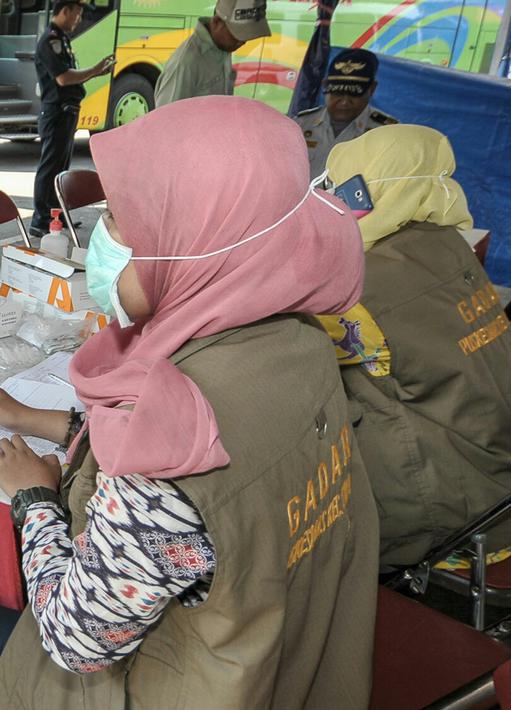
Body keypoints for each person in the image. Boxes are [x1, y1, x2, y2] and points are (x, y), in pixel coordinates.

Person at [0, 96, 378, 709]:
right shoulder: (298, 339)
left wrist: (35, 499)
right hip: (291, 658)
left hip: (191, 684)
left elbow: (76, 638)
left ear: (196, 239)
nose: (101, 239)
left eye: (120, 218)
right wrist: (43, 422)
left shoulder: (172, 446)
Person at [321, 124, 511, 569]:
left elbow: (281, 345)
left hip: (440, 518)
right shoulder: (447, 245)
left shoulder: (362, 289)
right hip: (495, 483)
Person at [29, 0, 114, 238]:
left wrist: (97, 70)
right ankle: (40, 219)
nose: (78, 19)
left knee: (60, 168)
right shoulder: (49, 41)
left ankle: (56, 215)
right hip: (55, 111)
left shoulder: (62, 39)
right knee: (50, 167)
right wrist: (96, 70)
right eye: (77, 14)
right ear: (64, 11)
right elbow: (63, 79)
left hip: (67, 110)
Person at [295, 48, 397, 178]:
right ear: (325, 86)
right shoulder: (300, 125)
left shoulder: (386, 133)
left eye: (354, 93)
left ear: (372, 89)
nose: (344, 102)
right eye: (337, 92)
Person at [153, 0, 270, 108]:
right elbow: (165, 120)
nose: (242, 42)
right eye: (237, 35)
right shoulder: (186, 63)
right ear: (216, 22)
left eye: (246, 36)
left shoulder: (223, 48)